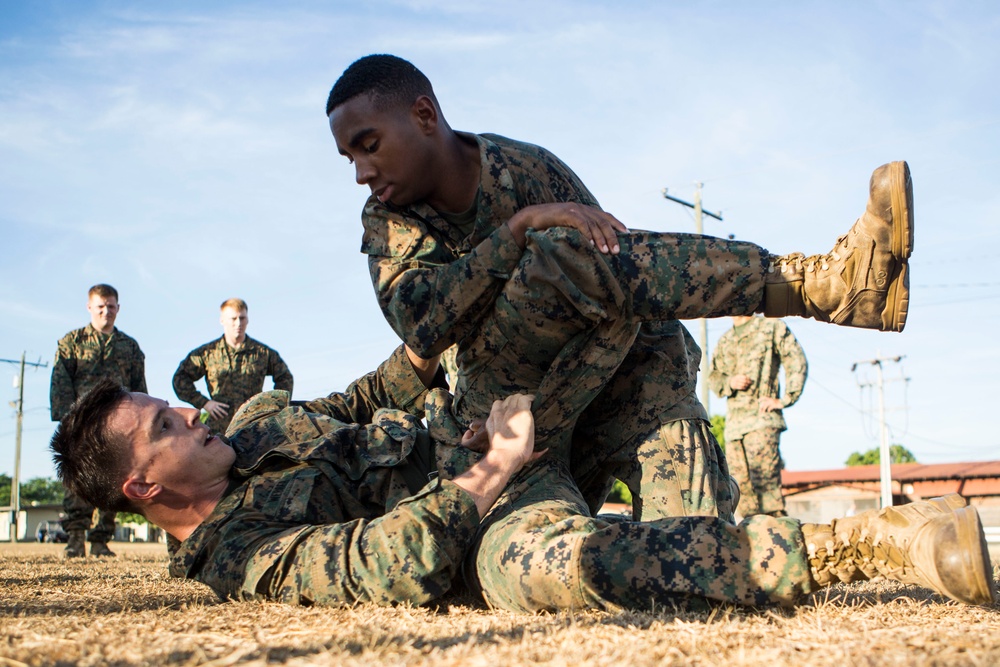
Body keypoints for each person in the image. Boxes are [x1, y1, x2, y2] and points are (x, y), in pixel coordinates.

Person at [325, 54, 913, 526]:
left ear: (424, 115)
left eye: (368, 145)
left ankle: (840, 295)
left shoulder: (526, 169)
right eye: (348, 156)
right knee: (558, 251)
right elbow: (422, 324)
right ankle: (810, 285)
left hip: (596, 382)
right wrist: (516, 231)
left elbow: (622, 274)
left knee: (697, 539)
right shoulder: (388, 221)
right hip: (502, 423)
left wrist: (666, 391)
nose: (361, 173)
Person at [49, 345, 994, 610]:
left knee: (598, 300)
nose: (186, 412)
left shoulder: (252, 421)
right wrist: (496, 466)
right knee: (564, 568)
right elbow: (388, 564)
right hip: (498, 505)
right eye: (160, 426)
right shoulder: (241, 555)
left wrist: (438, 358)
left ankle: (812, 280)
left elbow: (365, 393)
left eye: (165, 402)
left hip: (492, 422)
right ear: (142, 486)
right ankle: (876, 541)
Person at [50, 283, 146, 557]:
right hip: (82, 422)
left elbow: (139, 387)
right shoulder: (72, 342)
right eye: (101, 306)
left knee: (115, 480)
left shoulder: (129, 346)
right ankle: (75, 539)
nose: (106, 311)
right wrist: (67, 418)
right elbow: (60, 381)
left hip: (118, 425)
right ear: (90, 307)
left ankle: (101, 541)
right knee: (77, 480)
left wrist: (142, 420)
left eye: (111, 306)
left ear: (118, 308)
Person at [708, 315, 808, 518]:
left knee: (768, 496)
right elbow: (714, 377)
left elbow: (796, 360)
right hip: (735, 428)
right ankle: (751, 547)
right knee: (742, 500)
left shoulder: (771, 327)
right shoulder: (725, 339)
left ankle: (779, 544)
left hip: (762, 421)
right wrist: (729, 382)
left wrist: (785, 399)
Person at [172, 298, 294, 433]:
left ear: (247, 320)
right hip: (219, 429)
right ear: (222, 320)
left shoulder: (262, 353)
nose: (238, 323)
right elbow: (180, 379)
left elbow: (285, 377)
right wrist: (204, 403)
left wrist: (273, 407)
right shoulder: (207, 353)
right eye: (233, 318)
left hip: (254, 428)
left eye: (242, 318)